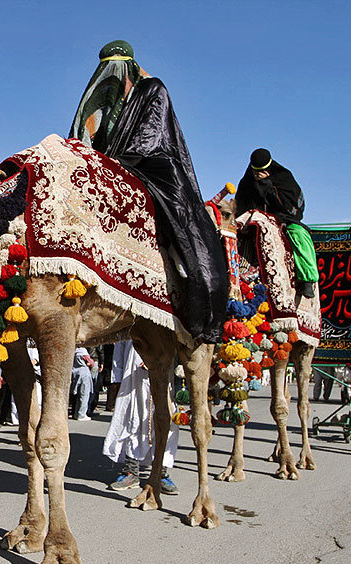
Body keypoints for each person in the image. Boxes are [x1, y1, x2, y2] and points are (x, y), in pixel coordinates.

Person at [70, 40, 229, 343]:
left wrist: (119, 162)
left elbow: (151, 135)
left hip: (155, 167)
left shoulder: (153, 89)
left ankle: (190, 284)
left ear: (129, 68)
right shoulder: (109, 101)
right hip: (117, 165)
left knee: (181, 221)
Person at [234, 148, 318, 298]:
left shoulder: (284, 178)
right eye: (255, 172)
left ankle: (307, 279)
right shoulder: (247, 182)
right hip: (253, 222)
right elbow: (241, 205)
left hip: (283, 219)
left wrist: (268, 187)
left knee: (299, 234)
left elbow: (293, 207)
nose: (256, 175)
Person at [103, 340, 178, 494]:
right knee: (132, 421)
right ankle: (131, 472)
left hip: (163, 376)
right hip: (133, 380)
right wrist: (116, 379)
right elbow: (119, 349)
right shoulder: (129, 319)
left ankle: (160, 473)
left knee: (164, 423)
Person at [71, 347, 94, 421]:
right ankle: (81, 414)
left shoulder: (74, 351)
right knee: (84, 395)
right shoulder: (83, 351)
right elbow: (91, 363)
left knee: (77, 395)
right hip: (84, 373)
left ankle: (75, 413)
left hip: (75, 372)